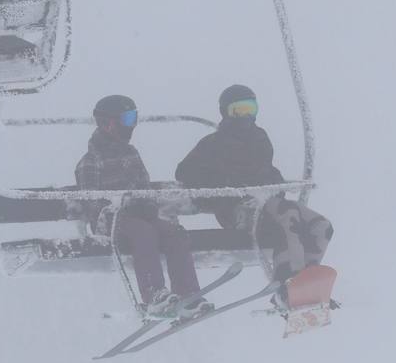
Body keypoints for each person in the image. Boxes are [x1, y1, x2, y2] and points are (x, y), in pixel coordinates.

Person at [175, 85, 334, 287]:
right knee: (289, 220)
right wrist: (223, 185)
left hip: (269, 204)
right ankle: (286, 283)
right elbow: (184, 172)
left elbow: (266, 169)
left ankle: (307, 281)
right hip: (238, 210)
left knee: (321, 226)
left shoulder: (260, 139)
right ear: (226, 112)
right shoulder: (213, 143)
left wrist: (275, 182)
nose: (245, 116)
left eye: (250, 109)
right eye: (238, 110)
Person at [75, 95, 209, 318]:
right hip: (111, 222)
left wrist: (147, 204)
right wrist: (122, 206)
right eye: (127, 119)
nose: (131, 125)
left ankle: (188, 295)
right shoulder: (91, 161)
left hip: (139, 217)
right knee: (144, 232)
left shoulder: (131, 153)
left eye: (134, 118)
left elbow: (143, 185)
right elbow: (92, 203)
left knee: (174, 233)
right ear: (108, 123)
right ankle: (154, 295)